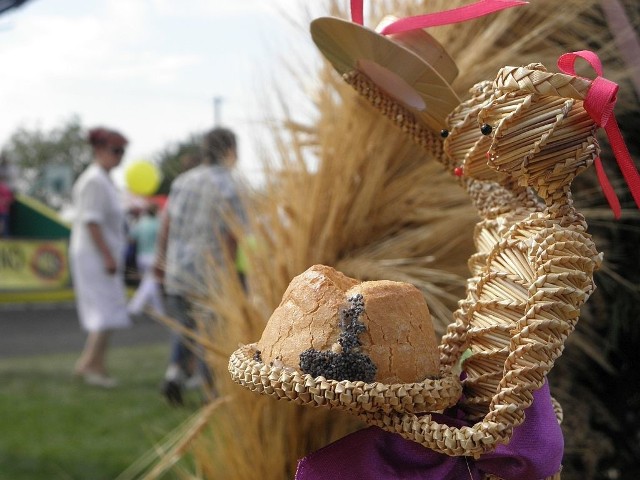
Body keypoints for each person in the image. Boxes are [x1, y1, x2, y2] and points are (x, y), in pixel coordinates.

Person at [154, 127, 246, 406]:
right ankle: (210, 390)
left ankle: (174, 374)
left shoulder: (183, 181)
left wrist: (160, 259)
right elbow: (233, 233)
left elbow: (166, 222)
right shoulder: (231, 185)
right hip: (212, 271)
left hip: (179, 268)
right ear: (230, 151)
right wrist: (231, 274)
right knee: (212, 332)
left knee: (184, 327)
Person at [70, 127, 131, 388]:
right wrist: (107, 255)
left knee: (108, 309)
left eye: (122, 151)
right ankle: (91, 365)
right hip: (94, 254)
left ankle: (92, 363)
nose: (119, 156)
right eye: (115, 150)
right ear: (99, 150)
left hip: (101, 253)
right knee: (103, 311)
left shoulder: (104, 180)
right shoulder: (94, 180)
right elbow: (91, 222)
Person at [127, 202, 165, 317]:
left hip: (141, 256)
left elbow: (131, 239)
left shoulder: (141, 223)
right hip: (154, 255)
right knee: (150, 283)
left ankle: (158, 311)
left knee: (150, 283)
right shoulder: (159, 223)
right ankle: (134, 306)